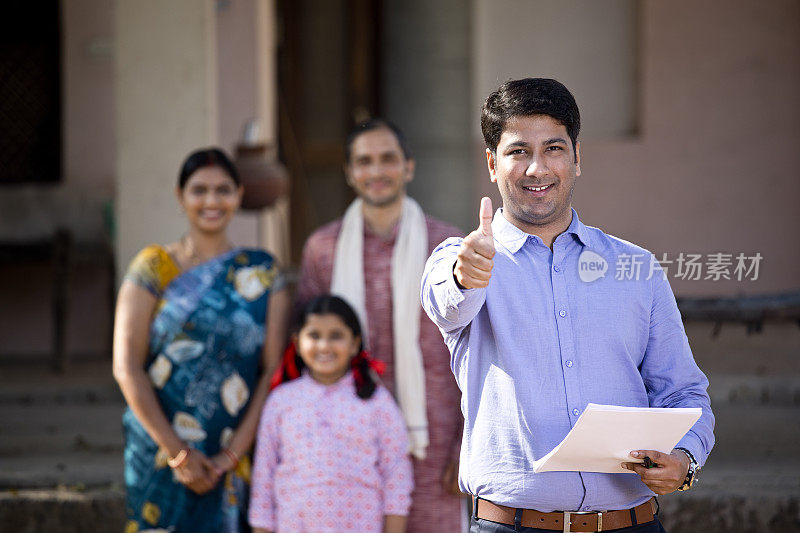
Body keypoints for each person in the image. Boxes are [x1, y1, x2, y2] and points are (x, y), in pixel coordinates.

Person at [421, 78, 715, 532]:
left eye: (554, 148)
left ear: (577, 158)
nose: (537, 168)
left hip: (631, 524)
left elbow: (684, 394)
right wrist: (467, 275)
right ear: (492, 164)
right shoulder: (461, 258)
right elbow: (448, 302)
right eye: (518, 151)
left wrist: (685, 458)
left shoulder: (635, 267)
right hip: (511, 526)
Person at [295, 118, 466, 531]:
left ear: (408, 167)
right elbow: (306, 353)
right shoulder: (323, 249)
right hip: (348, 441)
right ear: (350, 173)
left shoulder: (447, 246)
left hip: (434, 438)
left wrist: (467, 443)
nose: (376, 171)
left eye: (388, 159)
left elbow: (478, 348)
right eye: (364, 161)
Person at [113, 147, 289, 532]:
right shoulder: (153, 267)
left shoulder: (262, 272)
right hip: (159, 451)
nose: (212, 201)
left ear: (239, 195)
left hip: (233, 453)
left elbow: (273, 370)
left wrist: (231, 454)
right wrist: (178, 453)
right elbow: (126, 366)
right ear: (181, 198)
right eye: (199, 190)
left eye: (223, 190)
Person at [248, 295, 413, 533]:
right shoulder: (281, 401)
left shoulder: (377, 402)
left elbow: (397, 478)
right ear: (296, 341)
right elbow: (263, 478)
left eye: (336, 336)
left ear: (355, 343)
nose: (324, 346)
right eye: (314, 335)